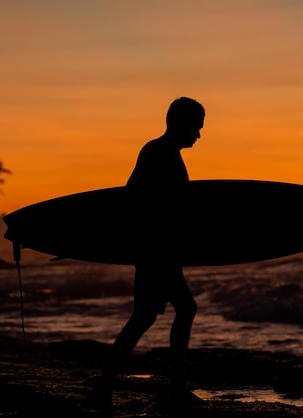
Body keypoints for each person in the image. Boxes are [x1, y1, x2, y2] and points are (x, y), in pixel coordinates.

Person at [90, 97, 205, 410]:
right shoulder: (160, 153)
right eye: (196, 127)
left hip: (157, 250)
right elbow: (140, 199)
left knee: (144, 317)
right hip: (157, 252)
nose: (198, 135)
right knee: (183, 309)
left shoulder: (161, 151)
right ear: (181, 123)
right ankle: (176, 386)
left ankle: (105, 385)